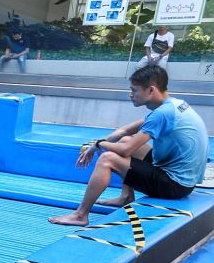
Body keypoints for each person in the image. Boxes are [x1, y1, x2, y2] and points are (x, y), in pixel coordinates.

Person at [49, 65, 208, 227]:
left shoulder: (161, 114)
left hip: (175, 185)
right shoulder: (174, 105)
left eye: (134, 90)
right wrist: (97, 145)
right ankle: (126, 196)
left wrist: (98, 144)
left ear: (151, 90)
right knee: (124, 139)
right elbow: (125, 131)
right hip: (184, 179)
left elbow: (127, 151)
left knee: (108, 158)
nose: (130, 94)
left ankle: (80, 215)